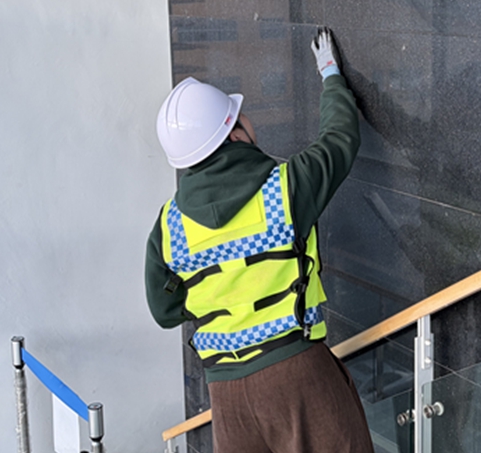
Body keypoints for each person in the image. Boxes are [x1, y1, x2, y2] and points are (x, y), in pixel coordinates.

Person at [145, 27, 374, 453]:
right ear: (233, 135)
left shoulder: (169, 227)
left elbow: (164, 310)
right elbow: (339, 140)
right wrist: (330, 75)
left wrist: (220, 297)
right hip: (297, 372)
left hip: (226, 398)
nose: (249, 120)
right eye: (241, 117)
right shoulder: (284, 190)